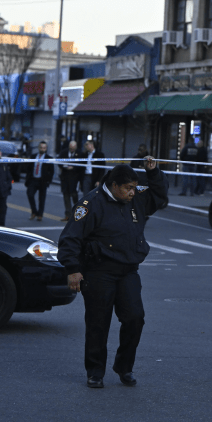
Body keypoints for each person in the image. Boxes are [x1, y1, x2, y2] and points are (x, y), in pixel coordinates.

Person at [58, 160, 168, 389]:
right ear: (114, 185)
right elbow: (70, 238)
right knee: (98, 323)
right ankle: (95, 371)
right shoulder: (90, 203)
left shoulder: (136, 198)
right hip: (99, 271)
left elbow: (159, 194)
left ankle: (124, 366)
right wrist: (73, 270)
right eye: (128, 188)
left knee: (135, 318)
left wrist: (153, 172)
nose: (132, 192)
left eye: (134, 187)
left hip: (128, 271)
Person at [25, 141, 54, 221]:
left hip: (43, 181)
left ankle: (40, 215)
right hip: (33, 180)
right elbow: (28, 168)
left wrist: (48, 181)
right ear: (38, 148)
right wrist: (28, 178)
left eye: (44, 148)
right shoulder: (33, 156)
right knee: (30, 194)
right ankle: (34, 212)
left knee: (42, 199)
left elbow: (51, 171)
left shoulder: (49, 158)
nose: (42, 149)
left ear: (46, 149)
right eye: (41, 147)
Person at [58, 140, 83, 222]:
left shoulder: (79, 154)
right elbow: (59, 162)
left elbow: (82, 165)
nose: (72, 149)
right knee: (66, 197)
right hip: (65, 177)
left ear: (76, 147)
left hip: (74, 178)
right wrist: (64, 166)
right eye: (70, 148)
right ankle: (67, 215)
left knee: (74, 196)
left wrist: (74, 167)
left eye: (73, 148)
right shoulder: (64, 152)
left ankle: (76, 214)